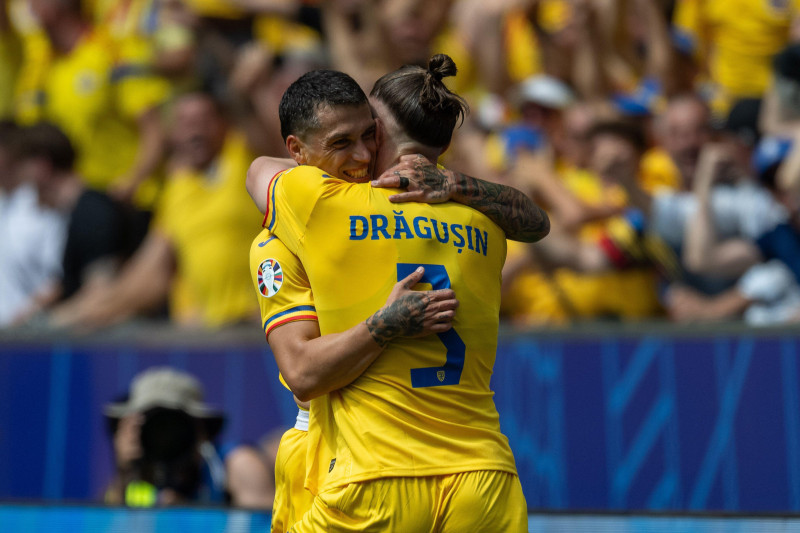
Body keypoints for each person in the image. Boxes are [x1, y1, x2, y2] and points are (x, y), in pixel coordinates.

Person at [249, 55, 548, 531]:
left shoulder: (316, 208)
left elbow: (259, 170)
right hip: (484, 476)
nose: (365, 154)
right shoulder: (487, 220)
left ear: (383, 131)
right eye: (346, 141)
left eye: (369, 133)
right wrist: (455, 183)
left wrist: (383, 325)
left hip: (372, 473)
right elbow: (536, 221)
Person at [11, 122, 147, 322]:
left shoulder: (92, 214)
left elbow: (101, 293)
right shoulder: (80, 213)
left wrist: (44, 325)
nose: (24, 183)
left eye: (24, 170)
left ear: (42, 166)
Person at [104, 366, 272, 508]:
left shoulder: (234, 466)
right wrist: (123, 473)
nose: (165, 437)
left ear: (201, 430)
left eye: (174, 425)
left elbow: (265, 527)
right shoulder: (134, 477)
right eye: (154, 426)